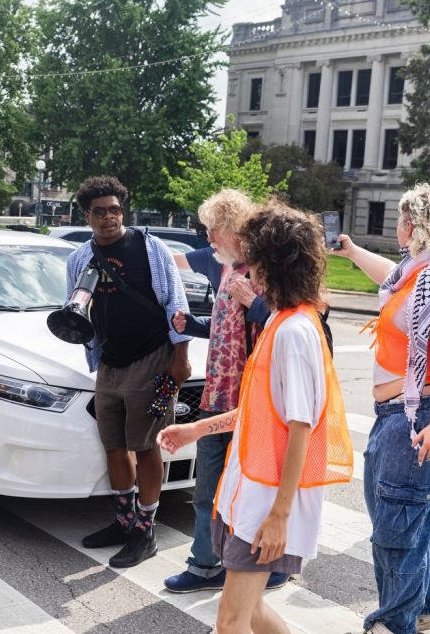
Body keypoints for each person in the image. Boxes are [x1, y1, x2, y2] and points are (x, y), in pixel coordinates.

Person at [158, 202, 352, 634]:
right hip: (248, 493)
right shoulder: (282, 323)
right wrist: (197, 427)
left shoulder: (295, 332)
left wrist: (280, 515)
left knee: (230, 621)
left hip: (267, 503)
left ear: (271, 265)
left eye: (255, 258)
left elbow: (302, 427)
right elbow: (262, 411)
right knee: (251, 613)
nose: (248, 269)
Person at [333, 184, 430, 634]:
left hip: (425, 413)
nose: (397, 226)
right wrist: (352, 251)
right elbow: (390, 277)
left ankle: (394, 623)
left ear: (414, 225)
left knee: (396, 527)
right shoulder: (417, 273)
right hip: (403, 413)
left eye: (402, 218)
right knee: (401, 517)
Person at [163, 189, 288, 593]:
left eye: (212, 229)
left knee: (254, 490)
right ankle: (204, 565)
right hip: (217, 399)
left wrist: (253, 301)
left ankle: (272, 566)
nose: (207, 237)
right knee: (208, 489)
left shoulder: (266, 273)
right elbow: (223, 329)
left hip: (253, 405)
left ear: (232, 228)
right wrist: (193, 326)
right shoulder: (222, 267)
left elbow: (287, 331)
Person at [64, 176, 192, 568]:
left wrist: (180, 359)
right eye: (100, 212)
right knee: (114, 446)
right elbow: (75, 309)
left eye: (115, 210)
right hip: (110, 364)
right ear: (87, 215)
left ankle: (145, 530)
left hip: (154, 361)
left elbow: (177, 303)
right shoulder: (78, 259)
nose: (109, 218)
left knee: (146, 445)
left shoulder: (149, 248)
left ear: (124, 210)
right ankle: (123, 521)